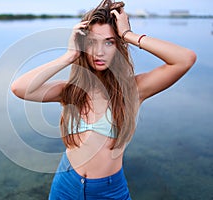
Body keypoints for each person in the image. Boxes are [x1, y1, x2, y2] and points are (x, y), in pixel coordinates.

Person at [11, 0, 196, 199]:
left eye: (109, 42)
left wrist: (128, 35)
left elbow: (185, 59)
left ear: (118, 46)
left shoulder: (133, 90)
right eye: (92, 42)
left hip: (108, 191)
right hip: (65, 184)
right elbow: (19, 88)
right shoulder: (71, 91)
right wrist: (68, 56)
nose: (99, 52)